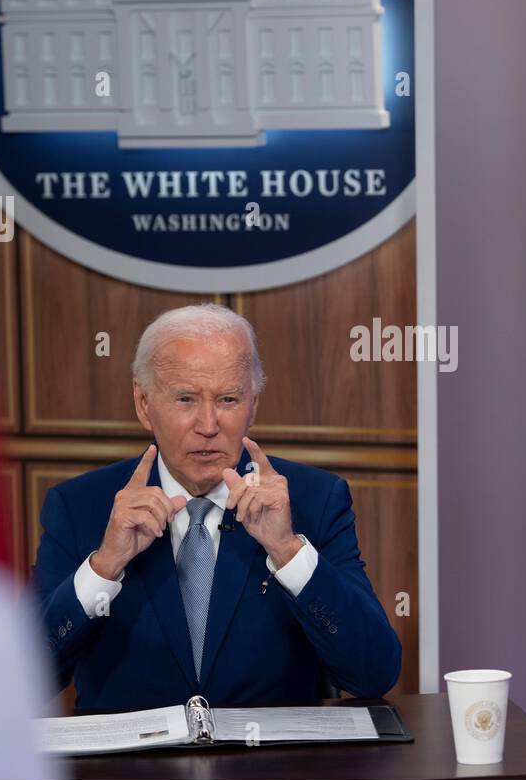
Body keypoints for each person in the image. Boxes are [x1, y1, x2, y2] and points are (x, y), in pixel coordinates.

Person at [29, 303, 402, 709]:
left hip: (272, 768)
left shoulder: (314, 500)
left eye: (227, 399)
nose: (208, 425)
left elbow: (374, 674)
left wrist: (288, 552)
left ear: (253, 405)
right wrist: (103, 567)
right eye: (185, 399)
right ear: (143, 403)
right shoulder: (79, 506)